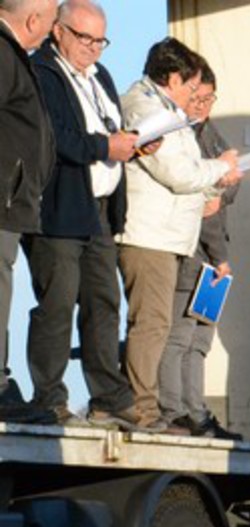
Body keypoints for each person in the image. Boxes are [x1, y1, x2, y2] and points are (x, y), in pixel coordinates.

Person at [116, 37, 239, 432]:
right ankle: (146, 410)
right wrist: (220, 168)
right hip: (149, 236)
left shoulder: (168, 111)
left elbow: (189, 176)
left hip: (168, 237)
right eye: (192, 88)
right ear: (173, 79)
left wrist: (215, 184)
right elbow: (178, 172)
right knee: (153, 326)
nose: (195, 99)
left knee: (162, 328)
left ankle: (153, 408)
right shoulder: (147, 109)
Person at [24, 0, 135, 425]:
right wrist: (106, 146)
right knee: (57, 303)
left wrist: (134, 142)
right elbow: (55, 137)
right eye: (84, 37)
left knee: (103, 302)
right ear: (59, 31)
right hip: (59, 208)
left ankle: (108, 397)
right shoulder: (41, 72)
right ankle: (48, 398)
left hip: (100, 210)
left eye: (100, 41)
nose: (93, 47)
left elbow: (108, 128)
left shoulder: (100, 75)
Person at [156, 57, 239, 439]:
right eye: (198, 97)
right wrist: (220, 256)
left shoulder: (211, 134)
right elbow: (207, 207)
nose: (203, 106)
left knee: (199, 340)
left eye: (210, 98)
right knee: (179, 337)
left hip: (211, 261)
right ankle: (175, 411)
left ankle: (196, 412)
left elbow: (223, 195)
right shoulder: (184, 138)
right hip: (194, 255)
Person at [0, 0, 57, 422]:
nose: (53, 32)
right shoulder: (3, 54)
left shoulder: (12, 54)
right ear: (34, 20)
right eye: (53, 22)